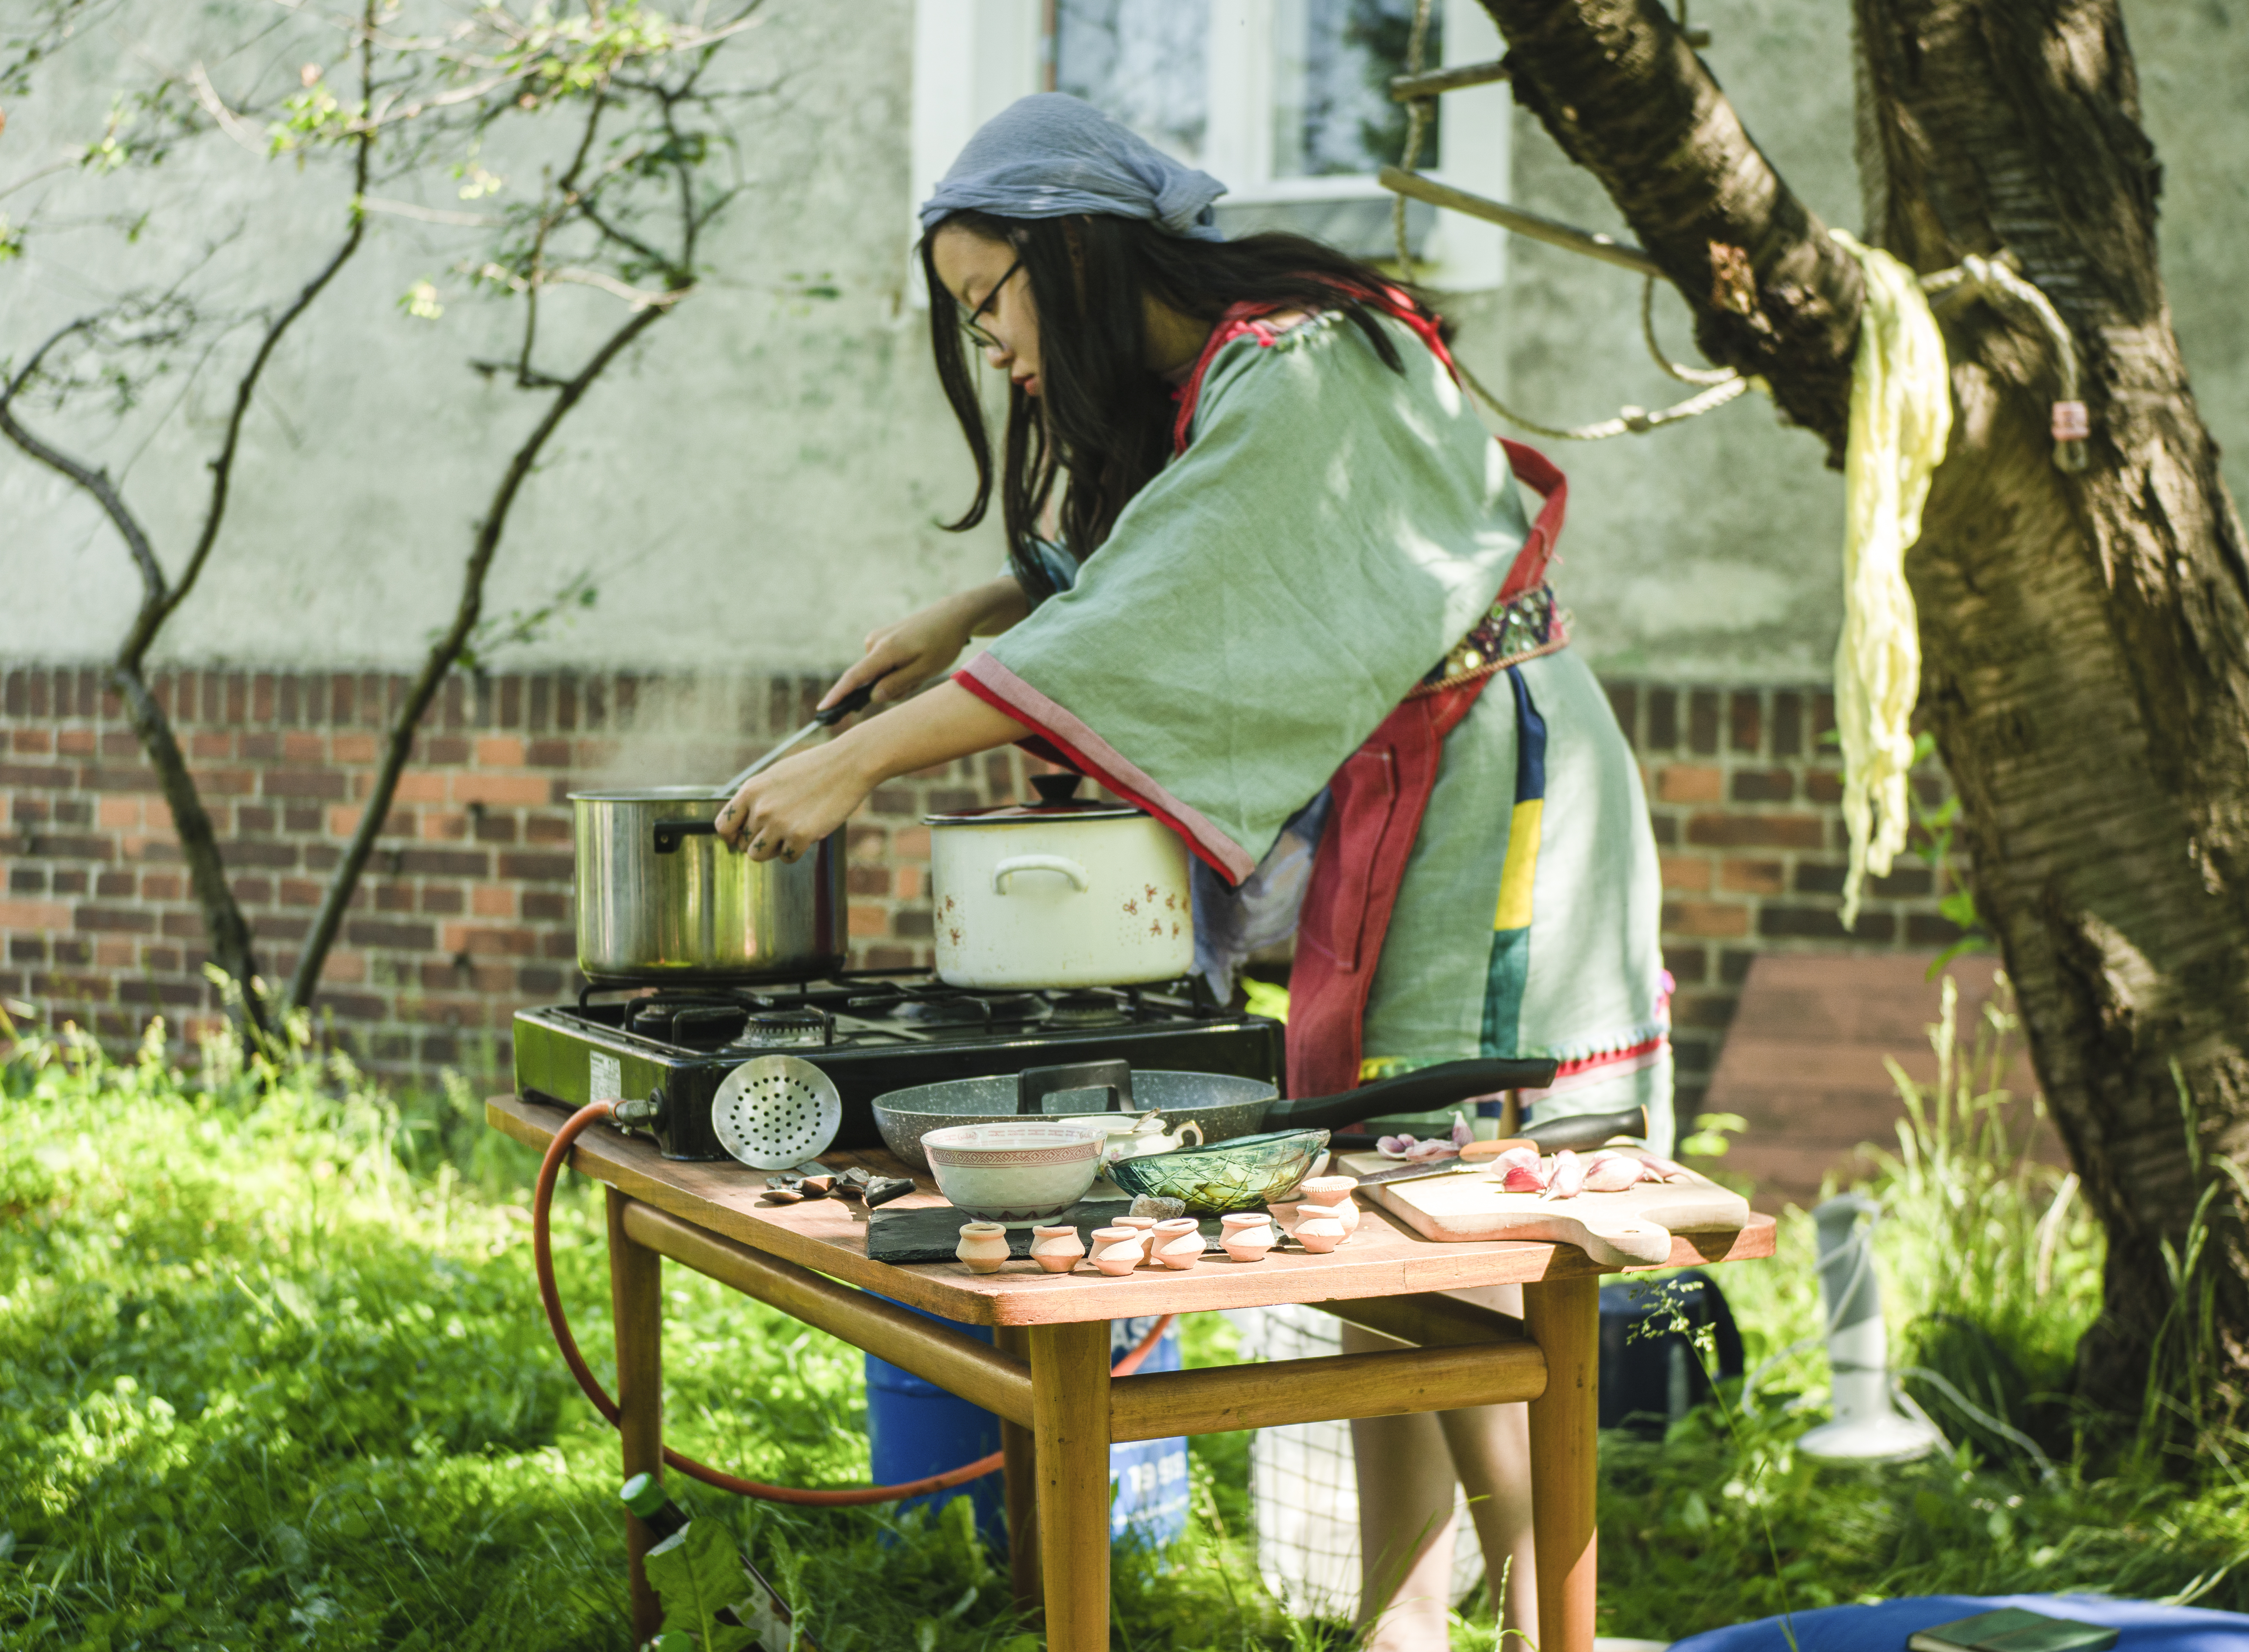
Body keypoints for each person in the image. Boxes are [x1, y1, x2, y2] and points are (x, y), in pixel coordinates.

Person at [715, 93, 1671, 1652]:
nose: (998, 350)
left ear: (1076, 254)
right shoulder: (1242, 373)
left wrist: (863, 757)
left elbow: (1176, 605)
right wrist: (981, 606)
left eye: (991, 302)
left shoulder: (1305, 367)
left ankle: (1540, 1613)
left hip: (1496, 811)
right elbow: (1172, 562)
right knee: (1385, 1218)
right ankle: (1403, 1618)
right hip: (1409, 799)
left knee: (1464, 1226)